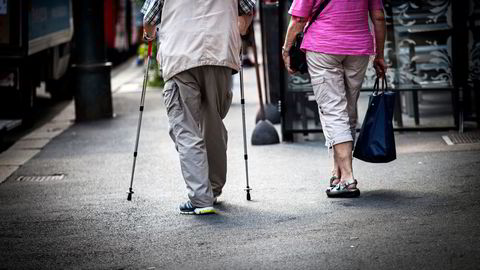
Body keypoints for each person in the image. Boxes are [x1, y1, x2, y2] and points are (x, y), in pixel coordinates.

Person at [141, 0, 255, 214]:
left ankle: (201, 199)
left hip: (180, 58)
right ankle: (212, 189)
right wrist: (238, 29)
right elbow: (248, 10)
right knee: (212, 122)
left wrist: (149, 35)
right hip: (221, 54)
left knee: (186, 128)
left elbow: (149, 19)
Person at [282, 0, 387, 198]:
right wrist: (380, 55)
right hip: (358, 49)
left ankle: (347, 178)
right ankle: (337, 172)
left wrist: (286, 48)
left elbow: (298, 18)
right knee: (347, 110)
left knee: (333, 110)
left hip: (323, 47)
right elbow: (379, 16)